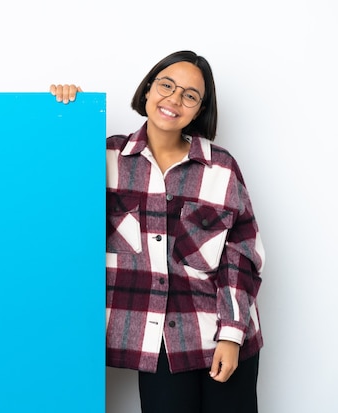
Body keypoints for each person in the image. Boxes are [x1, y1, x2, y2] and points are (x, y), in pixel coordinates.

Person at [51, 50, 265, 413]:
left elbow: (240, 257)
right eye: (167, 85)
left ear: (199, 110)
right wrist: (63, 114)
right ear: (149, 89)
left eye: (190, 95)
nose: (175, 99)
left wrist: (231, 336)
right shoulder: (103, 158)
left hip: (222, 336)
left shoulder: (221, 168)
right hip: (157, 345)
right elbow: (51, 197)